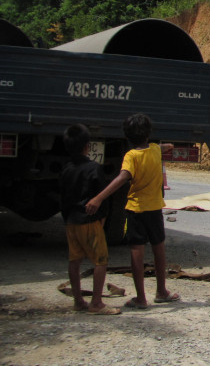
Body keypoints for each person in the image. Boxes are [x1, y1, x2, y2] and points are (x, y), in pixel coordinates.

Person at [86, 113, 179, 309]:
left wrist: (98, 197)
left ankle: (141, 298)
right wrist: (168, 146)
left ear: (127, 136)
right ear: (148, 134)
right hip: (155, 208)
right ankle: (162, 291)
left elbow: (122, 178)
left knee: (137, 250)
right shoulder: (155, 150)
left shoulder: (131, 156)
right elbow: (163, 147)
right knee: (158, 248)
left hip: (136, 210)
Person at [59, 124, 121, 315]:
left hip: (71, 221)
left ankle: (78, 301)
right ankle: (96, 302)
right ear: (87, 146)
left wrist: (67, 218)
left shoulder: (65, 169)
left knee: (74, 260)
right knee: (100, 261)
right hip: (90, 221)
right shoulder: (95, 169)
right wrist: (102, 220)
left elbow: (62, 197)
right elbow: (102, 199)